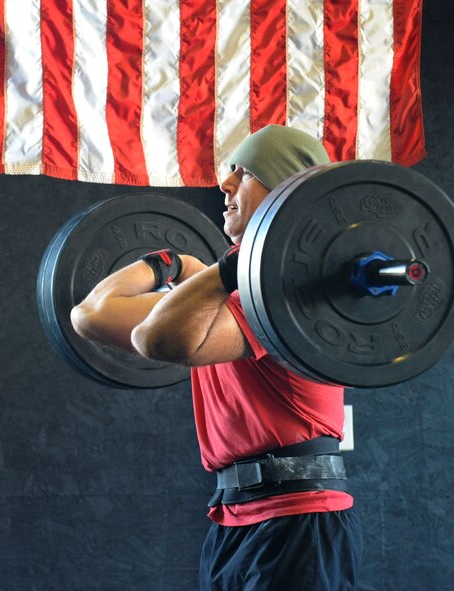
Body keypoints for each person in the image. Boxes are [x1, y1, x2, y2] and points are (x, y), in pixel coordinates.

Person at [70, 125, 361, 591]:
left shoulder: (284, 291)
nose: (224, 184)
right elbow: (88, 316)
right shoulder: (221, 296)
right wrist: (172, 263)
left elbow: (160, 340)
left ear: (285, 191)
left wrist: (222, 267)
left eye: (244, 173)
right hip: (233, 518)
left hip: (297, 518)